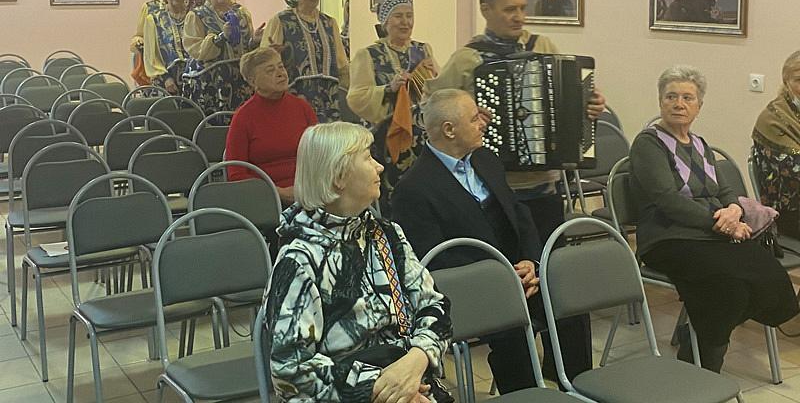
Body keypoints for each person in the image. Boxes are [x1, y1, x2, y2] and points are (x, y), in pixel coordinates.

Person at [392, 89, 592, 393]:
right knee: (512, 331)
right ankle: (526, 397)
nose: (483, 123)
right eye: (474, 118)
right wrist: (501, 278)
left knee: (571, 304)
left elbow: (519, 214)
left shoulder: (486, 159)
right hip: (473, 286)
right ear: (449, 130)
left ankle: (578, 389)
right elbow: (433, 259)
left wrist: (531, 262)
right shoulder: (412, 189)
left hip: (517, 274)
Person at [264, 122, 453, 403]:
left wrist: (416, 360)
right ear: (339, 176)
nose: (380, 167)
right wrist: (383, 387)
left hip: (410, 379)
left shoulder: (387, 235)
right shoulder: (299, 260)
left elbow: (434, 305)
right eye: (367, 158)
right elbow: (290, 369)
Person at [630, 65, 798, 372]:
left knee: (769, 276)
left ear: (699, 105)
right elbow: (668, 200)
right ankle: (701, 366)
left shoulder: (700, 144)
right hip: (668, 237)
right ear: (660, 100)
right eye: (671, 96)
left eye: (687, 98)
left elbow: (724, 190)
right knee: (727, 289)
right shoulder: (648, 143)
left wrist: (734, 210)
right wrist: (722, 223)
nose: (678, 104)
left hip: (712, 233)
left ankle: (696, 332)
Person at [427, 0, 605, 246]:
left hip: (544, 185)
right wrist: (469, 117)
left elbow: (569, 100)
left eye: (523, 8)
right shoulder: (468, 58)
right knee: (510, 259)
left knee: (548, 257)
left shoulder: (542, 47)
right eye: (510, 9)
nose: (519, 17)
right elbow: (431, 108)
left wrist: (589, 106)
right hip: (492, 187)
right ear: (486, 10)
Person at [347, 0, 438, 212]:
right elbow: (356, 97)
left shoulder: (423, 50)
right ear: (386, 21)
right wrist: (389, 89)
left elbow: (437, 90)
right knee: (392, 195)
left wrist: (433, 76)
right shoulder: (368, 55)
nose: (405, 22)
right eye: (398, 16)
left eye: (409, 15)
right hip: (385, 138)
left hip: (423, 136)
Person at [225, 48, 317, 204]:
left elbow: (322, 155)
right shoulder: (243, 117)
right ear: (253, 81)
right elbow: (236, 173)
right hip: (265, 198)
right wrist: (277, 192)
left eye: (281, 66)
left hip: (310, 191)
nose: (281, 73)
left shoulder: (302, 107)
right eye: (270, 70)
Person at [264, 0, 349, 123]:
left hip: (329, 98)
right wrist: (277, 54)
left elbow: (342, 64)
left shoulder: (329, 22)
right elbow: (264, 62)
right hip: (295, 97)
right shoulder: (281, 21)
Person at [182, 0, 263, 114]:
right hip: (209, 83)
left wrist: (255, 41)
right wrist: (220, 37)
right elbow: (196, 50)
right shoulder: (197, 15)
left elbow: (245, 49)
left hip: (240, 82)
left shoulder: (242, 13)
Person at [752, 51, 800, 239]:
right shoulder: (773, 119)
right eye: (799, 80)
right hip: (788, 211)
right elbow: (794, 170)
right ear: (786, 82)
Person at [142, 0, 188, 94]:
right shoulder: (154, 19)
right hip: (165, 81)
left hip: (192, 77)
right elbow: (151, 56)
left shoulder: (193, 16)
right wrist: (165, 78)